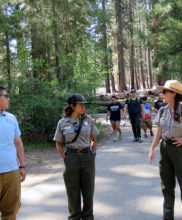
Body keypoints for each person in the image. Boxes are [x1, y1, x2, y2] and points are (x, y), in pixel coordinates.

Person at [53, 93, 99, 220]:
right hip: (71, 158)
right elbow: (58, 143)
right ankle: (74, 217)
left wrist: (93, 154)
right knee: (72, 192)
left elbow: (94, 140)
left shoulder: (89, 121)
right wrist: (65, 158)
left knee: (88, 192)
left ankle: (88, 217)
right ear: (72, 106)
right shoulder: (62, 123)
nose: (84, 107)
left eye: (84, 104)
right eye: (81, 104)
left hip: (87, 157)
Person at [148, 80, 182, 220]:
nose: (162, 94)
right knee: (166, 187)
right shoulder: (162, 109)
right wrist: (152, 149)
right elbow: (159, 131)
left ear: (174, 94)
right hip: (165, 149)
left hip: (179, 150)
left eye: (165, 92)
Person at [0, 85, 26, 220]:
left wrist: (22, 166)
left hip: (11, 171)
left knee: (11, 212)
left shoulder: (11, 118)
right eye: (5, 96)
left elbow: (18, 143)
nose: (8, 98)